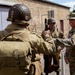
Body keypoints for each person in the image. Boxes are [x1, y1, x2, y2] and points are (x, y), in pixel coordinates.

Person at [0, 4, 56, 75]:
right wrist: (47, 36)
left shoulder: (1, 35)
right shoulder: (33, 38)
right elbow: (51, 49)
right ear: (26, 20)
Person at [64, 9, 75, 75]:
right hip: (72, 59)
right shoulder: (71, 31)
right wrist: (66, 55)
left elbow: (72, 42)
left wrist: (59, 41)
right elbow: (68, 45)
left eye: (72, 20)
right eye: (69, 20)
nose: (70, 21)